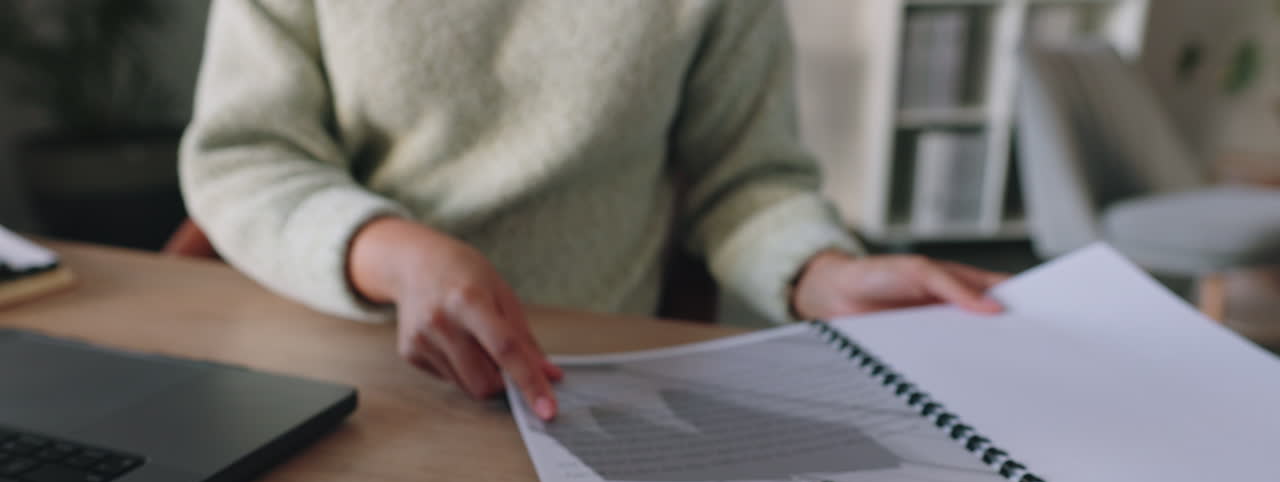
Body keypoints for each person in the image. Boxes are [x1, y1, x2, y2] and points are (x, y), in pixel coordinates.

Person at [181, 0, 1006, 422]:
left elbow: (746, 179)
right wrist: (397, 254)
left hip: (579, 388)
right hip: (337, 365)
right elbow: (244, 154)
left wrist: (820, 270)